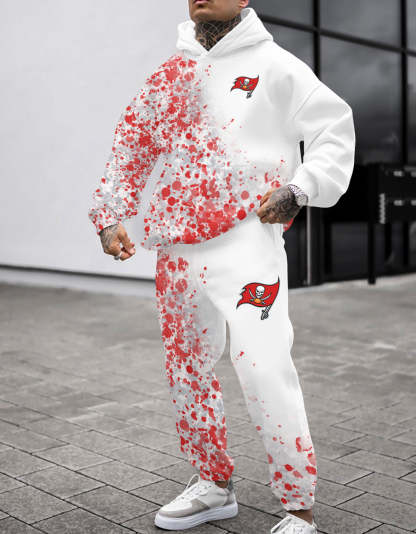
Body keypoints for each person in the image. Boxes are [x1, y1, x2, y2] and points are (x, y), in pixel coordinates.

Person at [88, 1, 356, 532]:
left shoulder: (275, 66)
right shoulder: (171, 74)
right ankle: (212, 483)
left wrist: (300, 188)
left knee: (264, 367)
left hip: (247, 239)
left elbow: (334, 127)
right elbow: (132, 145)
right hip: (176, 250)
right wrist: (110, 213)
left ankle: (298, 507)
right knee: (187, 370)